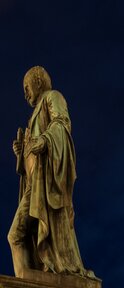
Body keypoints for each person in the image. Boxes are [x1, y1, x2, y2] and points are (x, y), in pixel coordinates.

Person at [9, 66, 92, 277]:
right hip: (34, 185)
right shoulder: (32, 117)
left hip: (45, 184)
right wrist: (22, 154)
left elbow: (62, 124)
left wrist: (45, 140)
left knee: (15, 235)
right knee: (18, 236)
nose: (25, 93)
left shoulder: (52, 97)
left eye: (27, 87)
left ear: (38, 82)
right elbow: (30, 161)